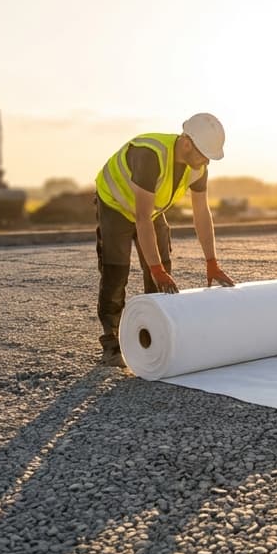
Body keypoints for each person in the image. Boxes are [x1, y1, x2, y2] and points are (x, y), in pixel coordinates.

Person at [94, 112, 237, 367]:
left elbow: (202, 213)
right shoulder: (150, 155)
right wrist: (155, 268)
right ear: (186, 142)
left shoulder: (198, 167)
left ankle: (155, 335)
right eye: (203, 153)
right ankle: (111, 341)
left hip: (149, 210)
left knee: (163, 269)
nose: (206, 161)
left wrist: (211, 261)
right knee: (117, 270)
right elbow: (141, 218)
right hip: (116, 204)